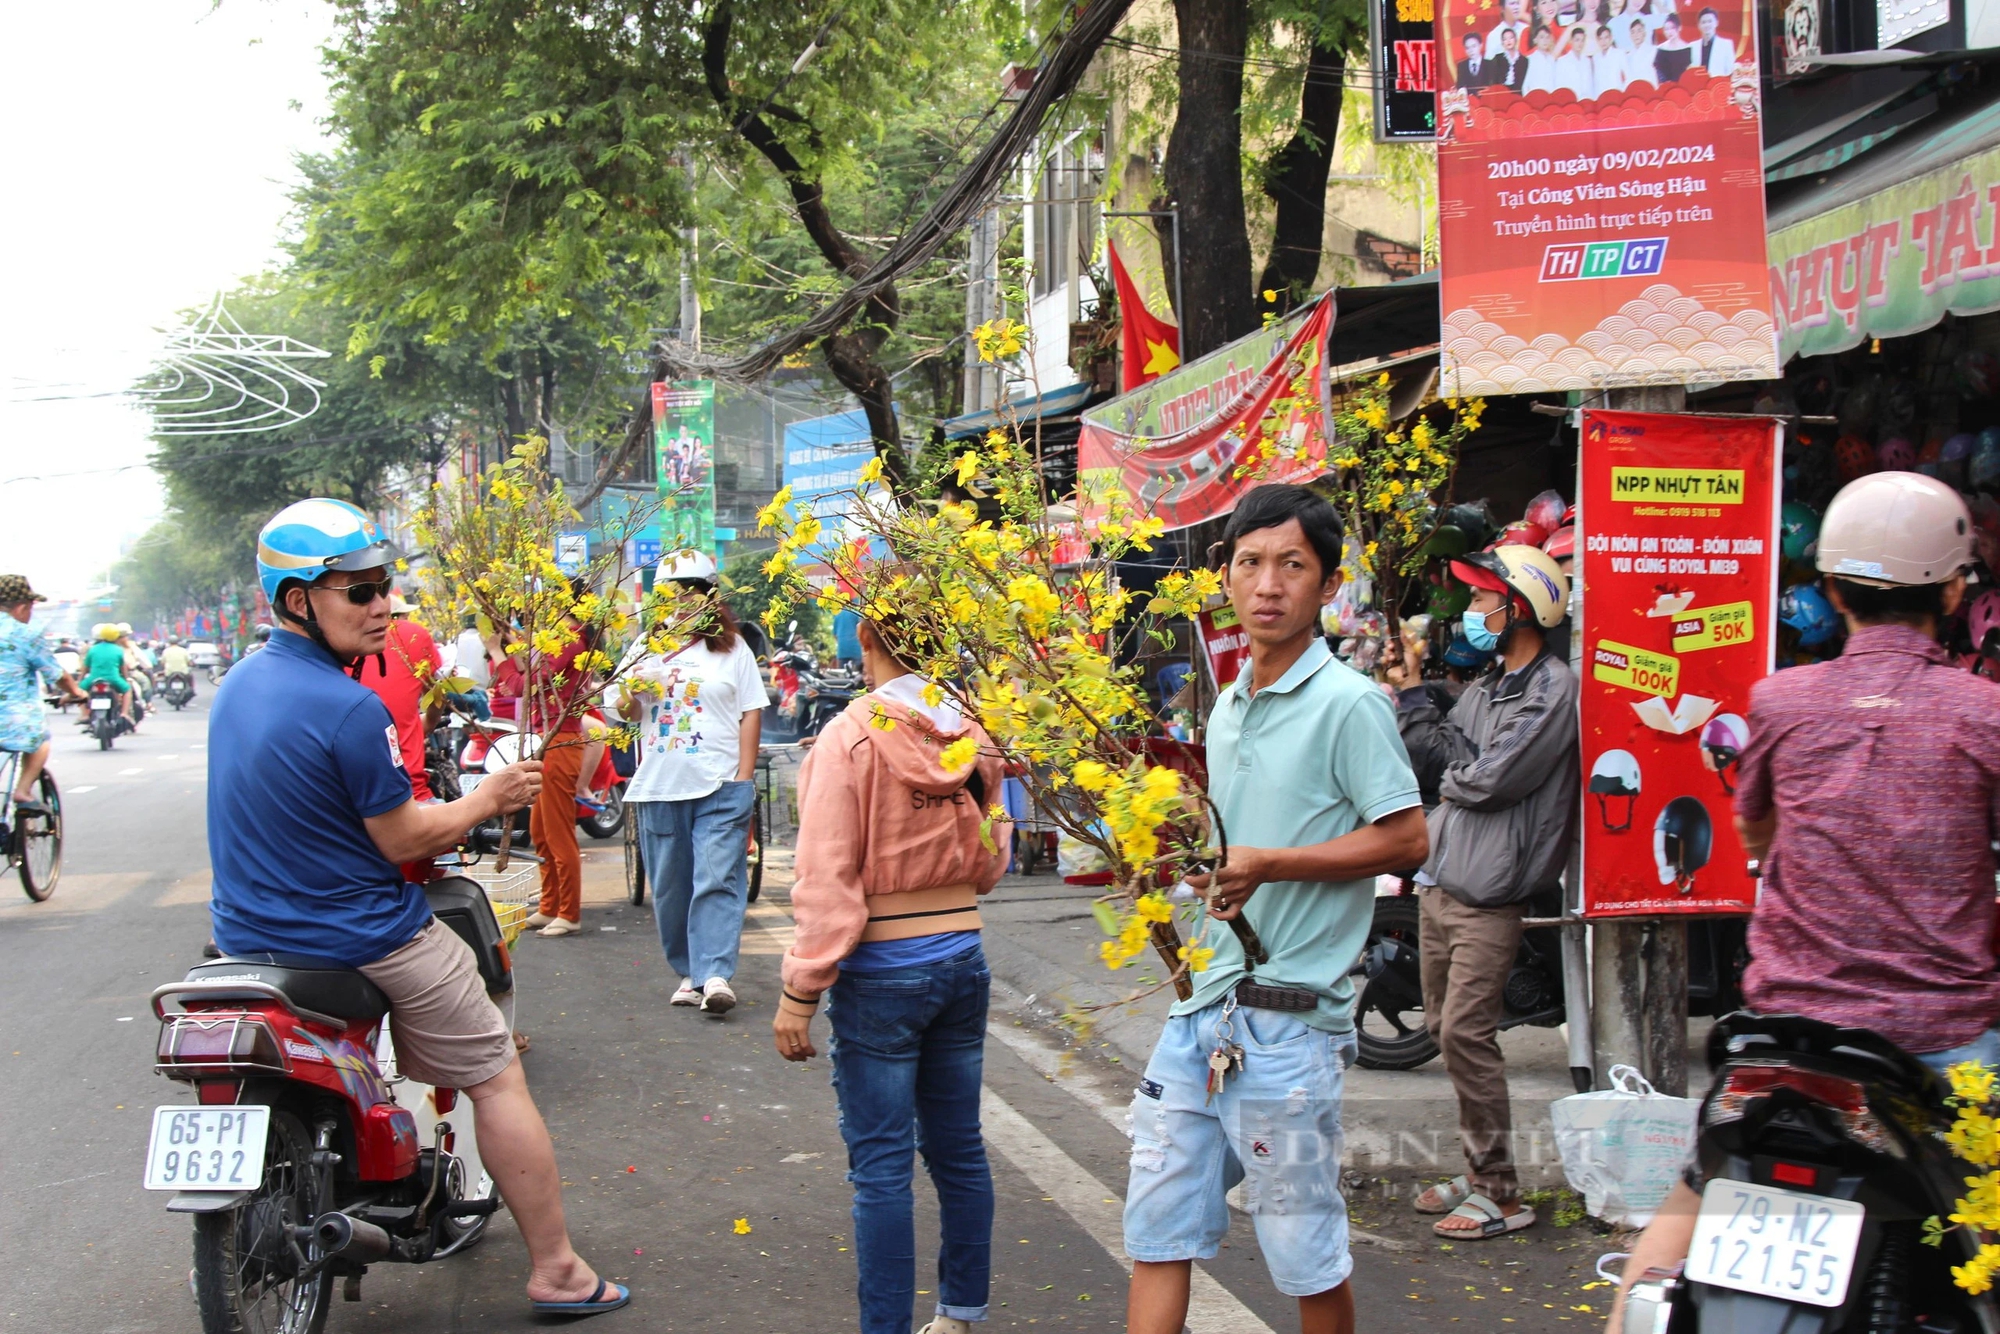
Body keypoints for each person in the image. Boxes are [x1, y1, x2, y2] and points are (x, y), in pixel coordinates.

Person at [211, 497, 627, 1317]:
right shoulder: (348, 706)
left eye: (384, 587)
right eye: (359, 592)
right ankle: (559, 1272)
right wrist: (489, 797)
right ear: (300, 600)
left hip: (244, 941)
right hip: (364, 935)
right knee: (498, 1074)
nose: (382, 607)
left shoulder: (235, 688)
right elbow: (403, 838)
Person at [1607, 472, 2000, 1328]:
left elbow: (1753, 836)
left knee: (1684, 1211)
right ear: (1955, 588)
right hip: (1942, 1042)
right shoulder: (1985, 714)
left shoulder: (1779, 699)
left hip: (1784, 1040)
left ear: (1827, 589)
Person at [1124, 485, 1428, 1334]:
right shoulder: (1227, 703)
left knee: (1302, 1254)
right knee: (1156, 1232)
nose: (1268, 584)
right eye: (1250, 562)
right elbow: (1240, 848)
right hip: (1201, 1013)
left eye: (1291, 565)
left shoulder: (1352, 704)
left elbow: (1409, 840)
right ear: (1223, 577)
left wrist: (1271, 864)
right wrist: (1192, 863)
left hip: (1290, 1029)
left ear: (1327, 585)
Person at [774, 606, 1009, 1334]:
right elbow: (993, 858)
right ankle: (961, 1313)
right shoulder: (972, 732)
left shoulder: (850, 739)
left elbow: (826, 875)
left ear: (867, 641)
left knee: (881, 1167)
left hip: (883, 967)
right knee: (959, 1148)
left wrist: (798, 991)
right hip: (960, 953)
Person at [1387, 544, 1577, 1240]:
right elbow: (1444, 767)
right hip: (1443, 878)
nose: (1471, 612)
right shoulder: (1491, 686)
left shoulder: (1552, 691)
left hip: (1491, 892)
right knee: (1443, 1029)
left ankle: (1501, 1192)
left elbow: (1484, 779)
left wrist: (1441, 745)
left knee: (1467, 1032)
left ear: (1518, 607)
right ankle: (1477, 1173)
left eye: (1481, 600)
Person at [622, 551, 765, 1010]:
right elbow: (625, 714)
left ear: (710, 595)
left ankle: (716, 974)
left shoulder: (733, 647)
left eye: (691, 591)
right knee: (671, 887)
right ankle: (689, 972)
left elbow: (750, 712)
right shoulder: (645, 647)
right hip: (662, 784)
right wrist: (633, 690)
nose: (682, 602)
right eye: (673, 594)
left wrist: (744, 778)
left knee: (718, 877)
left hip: (721, 782)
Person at [520, 582, 599, 937]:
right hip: (549, 738)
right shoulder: (559, 635)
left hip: (561, 740)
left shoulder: (569, 636)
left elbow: (534, 679)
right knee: (540, 830)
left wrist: (503, 652)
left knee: (557, 832)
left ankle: (569, 911)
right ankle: (549, 904)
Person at [0, 575, 83, 812]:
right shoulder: (24, 635)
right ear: (23, 607)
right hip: (12, 721)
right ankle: (23, 791)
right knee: (40, 740)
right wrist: (76, 691)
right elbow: (57, 675)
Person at [354, 593, 443, 803]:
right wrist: (428, 722)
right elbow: (437, 694)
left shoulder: (330, 645)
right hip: (409, 791)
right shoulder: (412, 635)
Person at [79, 623, 135, 727]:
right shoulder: (118, 650)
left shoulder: (93, 649)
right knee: (127, 690)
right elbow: (123, 668)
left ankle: (85, 714)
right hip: (113, 679)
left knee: (78, 692)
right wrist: (126, 679)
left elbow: (85, 668)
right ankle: (124, 713)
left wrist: (80, 681)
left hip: (93, 678)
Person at [1521, 25, 1565, 93]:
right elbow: (1525, 85)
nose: (1545, 40)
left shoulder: (1553, 60)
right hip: (1536, 98)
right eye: (1542, 37)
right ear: (1535, 40)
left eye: (1547, 37)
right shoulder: (1529, 59)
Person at [1693, 6, 1735, 73]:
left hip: (1717, 82)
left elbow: (1730, 71)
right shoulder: (1692, 46)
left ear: (1716, 23)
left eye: (1710, 21)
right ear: (1699, 25)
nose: (1707, 25)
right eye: (1703, 22)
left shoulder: (1726, 45)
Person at [1652, 13, 1693, 83]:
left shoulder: (1688, 49)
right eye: (1666, 29)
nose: (1669, 32)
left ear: (1679, 27)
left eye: (1672, 28)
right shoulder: (1660, 49)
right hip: (1664, 87)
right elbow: (1657, 70)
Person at [833, 600, 864, 674]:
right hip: (856, 648)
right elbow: (861, 628)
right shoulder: (856, 613)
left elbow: (835, 634)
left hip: (842, 648)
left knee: (842, 674)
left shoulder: (837, 614)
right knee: (858, 673)